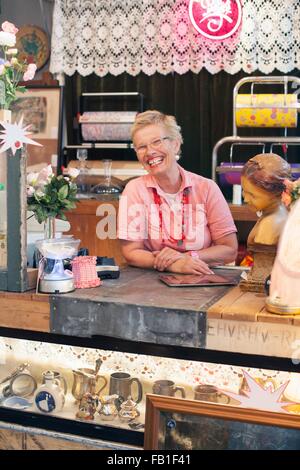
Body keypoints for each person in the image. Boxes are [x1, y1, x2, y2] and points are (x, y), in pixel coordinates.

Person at [118, 110, 237, 274]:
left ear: (175, 144)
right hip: (150, 284)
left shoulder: (207, 188)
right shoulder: (134, 190)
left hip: (202, 280)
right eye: (142, 147)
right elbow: (131, 253)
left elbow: (229, 250)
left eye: (156, 142)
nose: (150, 151)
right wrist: (174, 265)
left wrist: (189, 257)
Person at [241, 153, 291, 246]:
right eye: (244, 191)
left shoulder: (269, 224)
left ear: (275, 193)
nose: (246, 199)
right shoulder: (279, 213)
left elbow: (262, 260)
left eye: (252, 195)